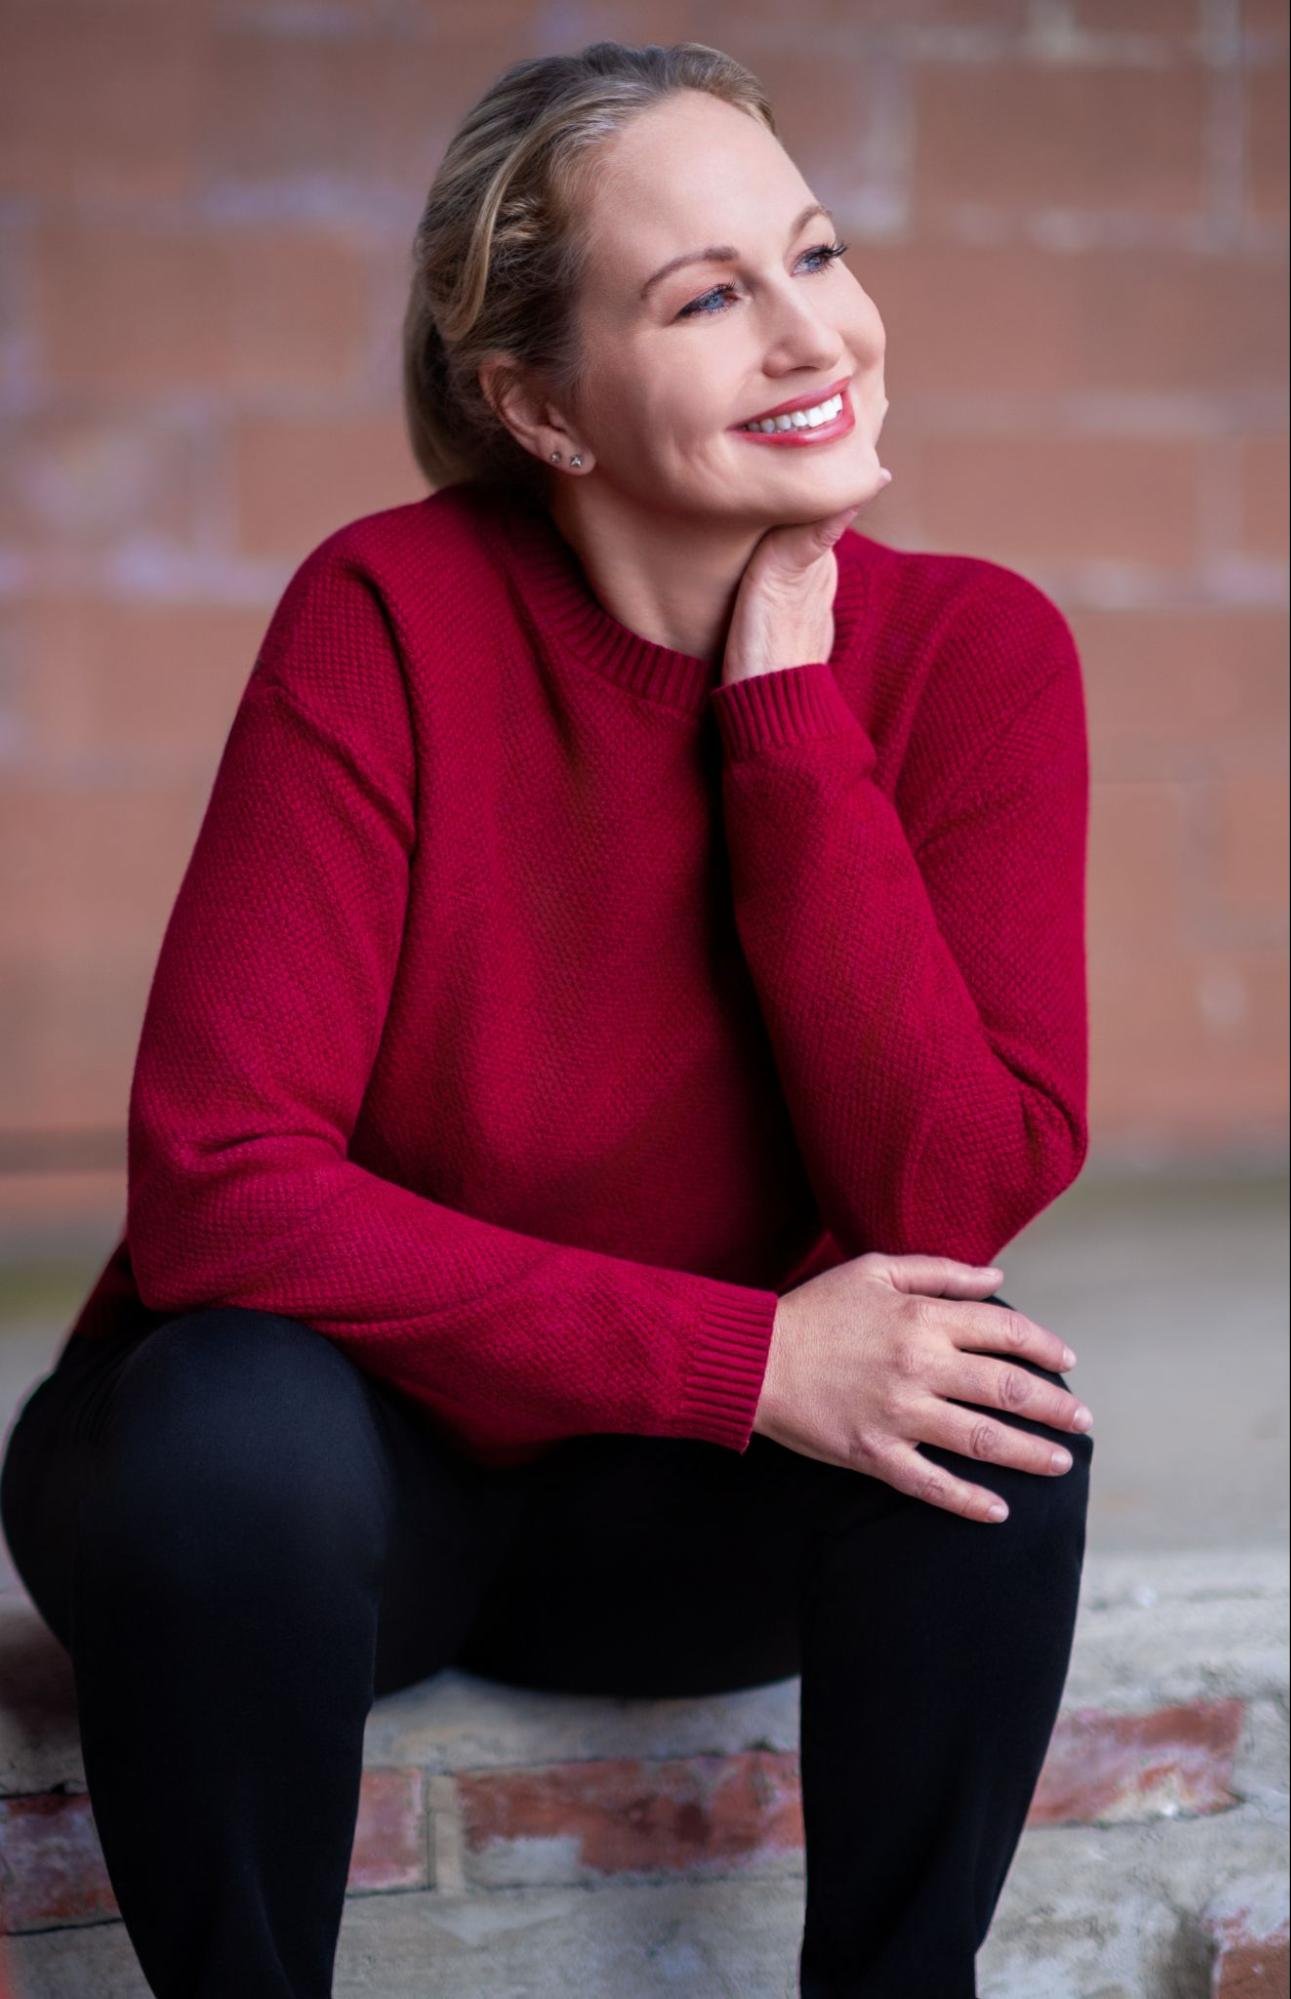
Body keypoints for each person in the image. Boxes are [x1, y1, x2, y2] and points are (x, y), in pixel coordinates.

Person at [0, 39, 1095, 1999]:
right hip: (320, 1514)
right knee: (230, 1425)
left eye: (814, 252)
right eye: (704, 297)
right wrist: (745, 1356)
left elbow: (947, 1194)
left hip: (667, 1537)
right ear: (539, 404)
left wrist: (786, 728)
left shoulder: (974, 654)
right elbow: (222, 1191)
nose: (810, 333)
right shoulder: (386, 617)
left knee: (993, 1419)